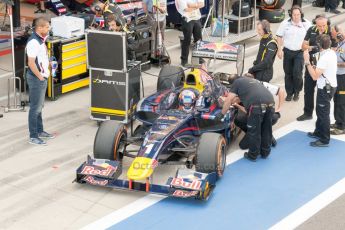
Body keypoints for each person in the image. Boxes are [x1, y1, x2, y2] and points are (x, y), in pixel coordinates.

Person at [220, 77, 275, 161]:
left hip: (257, 105)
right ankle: (265, 152)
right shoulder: (250, 82)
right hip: (271, 102)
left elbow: (228, 100)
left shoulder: (236, 83)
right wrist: (237, 104)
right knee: (266, 129)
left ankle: (253, 155)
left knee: (254, 132)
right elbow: (246, 105)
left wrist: (221, 115)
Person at [297, 14, 337, 121]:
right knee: (308, 90)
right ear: (316, 24)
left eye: (324, 25)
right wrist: (313, 47)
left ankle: (323, 116)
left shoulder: (330, 31)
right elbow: (303, 46)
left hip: (323, 68)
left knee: (322, 93)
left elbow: (334, 49)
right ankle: (307, 113)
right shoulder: (311, 29)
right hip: (311, 65)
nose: (322, 28)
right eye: (320, 26)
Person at [230, 74, 285, 149]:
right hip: (269, 114)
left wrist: (279, 108)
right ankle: (266, 134)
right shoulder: (258, 86)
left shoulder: (253, 88)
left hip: (262, 114)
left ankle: (258, 134)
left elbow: (281, 91)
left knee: (242, 144)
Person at [303, 34, 337, 147]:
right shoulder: (331, 52)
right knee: (319, 110)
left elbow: (314, 76)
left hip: (325, 89)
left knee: (323, 114)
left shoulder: (325, 58)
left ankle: (324, 139)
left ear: (320, 45)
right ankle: (318, 131)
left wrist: (307, 62)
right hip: (327, 85)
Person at [26, 17, 55, 146]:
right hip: (36, 79)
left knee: (39, 107)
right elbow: (31, 63)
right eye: (47, 27)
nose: (48, 29)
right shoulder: (33, 42)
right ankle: (33, 136)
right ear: (40, 28)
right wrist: (40, 77)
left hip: (41, 77)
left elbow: (40, 58)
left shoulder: (40, 39)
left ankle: (40, 130)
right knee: (35, 108)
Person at [276, 5, 311, 102]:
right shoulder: (285, 23)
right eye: (294, 15)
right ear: (291, 14)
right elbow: (279, 36)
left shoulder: (307, 24)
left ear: (301, 14)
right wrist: (279, 49)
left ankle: (297, 92)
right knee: (288, 73)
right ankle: (289, 93)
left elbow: (312, 38)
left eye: (298, 15)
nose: (296, 17)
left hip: (300, 52)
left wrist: (308, 50)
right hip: (287, 51)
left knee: (297, 73)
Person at [175, 0, 204, 67]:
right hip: (187, 19)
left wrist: (191, 5)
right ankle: (184, 60)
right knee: (187, 40)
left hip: (196, 18)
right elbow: (186, 9)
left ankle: (199, 58)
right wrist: (197, 5)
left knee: (199, 40)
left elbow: (202, 4)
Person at [330, 25, 345, 135]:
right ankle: (338, 121)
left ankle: (342, 126)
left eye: (333, 33)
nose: (331, 35)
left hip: (342, 78)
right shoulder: (339, 43)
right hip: (336, 76)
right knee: (336, 99)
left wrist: (335, 64)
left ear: (339, 33)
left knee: (341, 101)